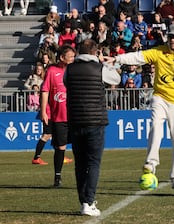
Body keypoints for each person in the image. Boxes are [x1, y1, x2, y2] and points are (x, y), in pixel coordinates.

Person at [104, 24, 174, 190]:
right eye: (170, 37)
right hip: (161, 98)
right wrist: (117, 59)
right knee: (155, 127)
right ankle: (150, 165)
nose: (172, 40)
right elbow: (138, 57)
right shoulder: (159, 52)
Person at [64, 39, 120, 216]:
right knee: (93, 162)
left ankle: (83, 201)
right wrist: (105, 63)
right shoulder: (100, 68)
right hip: (95, 121)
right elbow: (116, 78)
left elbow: (67, 85)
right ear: (96, 52)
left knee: (79, 164)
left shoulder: (69, 69)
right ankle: (89, 202)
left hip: (75, 121)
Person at [40, 45, 76, 187]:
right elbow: (45, 91)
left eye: (74, 56)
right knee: (60, 147)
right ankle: (57, 176)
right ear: (62, 57)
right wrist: (43, 111)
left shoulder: (75, 71)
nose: (73, 59)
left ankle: (84, 174)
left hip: (75, 116)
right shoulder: (52, 71)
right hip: (59, 117)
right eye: (71, 57)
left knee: (80, 147)